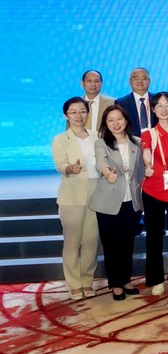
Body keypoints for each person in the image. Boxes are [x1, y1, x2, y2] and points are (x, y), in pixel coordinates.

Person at [89, 105, 144, 301]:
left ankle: (126, 280)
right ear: (106, 124)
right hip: (109, 201)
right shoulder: (102, 143)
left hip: (132, 200)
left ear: (126, 120)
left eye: (119, 118)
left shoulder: (137, 142)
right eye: (110, 120)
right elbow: (101, 162)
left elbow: (141, 168)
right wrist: (107, 173)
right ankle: (116, 284)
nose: (115, 123)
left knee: (127, 243)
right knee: (111, 245)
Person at [52, 97, 100, 300]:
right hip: (72, 195)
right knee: (72, 242)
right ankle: (73, 284)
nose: (78, 115)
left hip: (95, 192)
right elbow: (60, 164)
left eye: (82, 111)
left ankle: (87, 280)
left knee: (91, 241)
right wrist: (70, 168)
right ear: (66, 115)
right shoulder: (61, 139)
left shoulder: (96, 136)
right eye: (73, 112)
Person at [141, 92, 168, 295]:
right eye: (159, 106)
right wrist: (147, 165)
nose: (164, 109)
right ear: (153, 109)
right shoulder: (148, 134)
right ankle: (156, 279)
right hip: (153, 191)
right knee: (154, 237)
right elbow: (146, 154)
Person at [115, 67, 155, 137]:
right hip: (132, 141)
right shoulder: (121, 103)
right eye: (136, 78)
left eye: (144, 78)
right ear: (130, 81)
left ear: (149, 81)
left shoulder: (157, 99)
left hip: (156, 140)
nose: (140, 81)